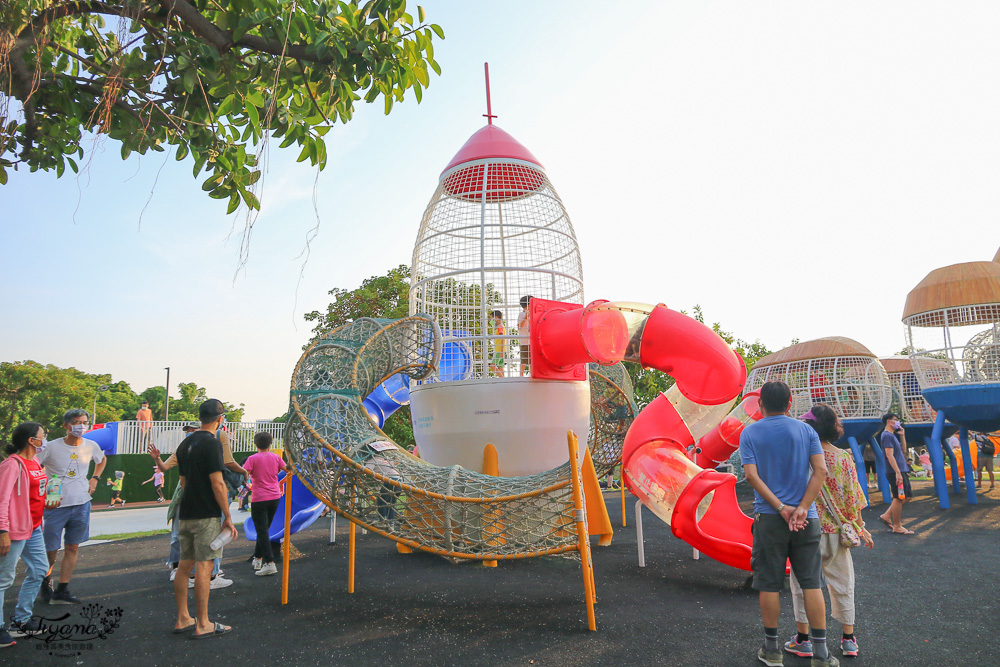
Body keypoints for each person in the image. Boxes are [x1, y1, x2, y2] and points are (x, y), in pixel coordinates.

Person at [739, 381, 837, 667]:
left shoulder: (750, 433)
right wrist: (802, 508)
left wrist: (782, 508)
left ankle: (771, 651)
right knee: (812, 583)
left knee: (769, 582)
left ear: (760, 405)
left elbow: (752, 476)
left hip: (770, 518)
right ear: (790, 403)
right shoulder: (806, 430)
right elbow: (820, 470)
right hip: (807, 519)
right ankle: (820, 654)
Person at [786, 404, 874, 660]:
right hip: (837, 532)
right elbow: (854, 498)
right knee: (843, 584)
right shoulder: (844, 458)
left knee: (802, 586)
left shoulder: (800, 457)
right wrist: (861, 527)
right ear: (830, 427)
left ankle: (803, 639)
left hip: (806, 530)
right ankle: (848, 639)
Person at [172, 399, 237, 638]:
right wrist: (227, 517)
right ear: (220, 419)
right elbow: (217, 482)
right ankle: (203, 623)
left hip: (186, 512)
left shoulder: (184, 443)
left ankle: (182, 618)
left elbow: (183, 482)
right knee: (205, 565)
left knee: (184, 564)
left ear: (200, 417)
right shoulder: (212, 444)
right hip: (206, 513)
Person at [35, 409, 106, 604]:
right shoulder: (51, 447)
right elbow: (34, 467)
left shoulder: (91, 445)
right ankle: (44, 582)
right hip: (55, 506)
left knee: (72, 547)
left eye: (84, 422)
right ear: (66, 425)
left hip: (81, 503)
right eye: (76, 422)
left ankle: (62, 590)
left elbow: (101, 460)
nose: (81, 426)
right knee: (50, 550)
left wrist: (95, 478)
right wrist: (43, 489)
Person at [0, 423, 54, 646]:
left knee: (40, 569)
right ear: (31, 440)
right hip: (13, 530)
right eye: (43, 435)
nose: (45, 438)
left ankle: (21, 621)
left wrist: (48, 503)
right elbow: (1, 499)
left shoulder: (35, 463)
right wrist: (2, 530)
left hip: (33, 527)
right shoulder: (12, 465)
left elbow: (35, 494)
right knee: (4, 579)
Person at [243, 432, 289, 577]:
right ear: (270, 444)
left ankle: (269, 563)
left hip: (259, 498)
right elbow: (288, 470)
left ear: (256, 444)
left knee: (262, 530)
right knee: (264, 529)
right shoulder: (276, 457)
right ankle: (258, 558)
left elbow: (244, 473)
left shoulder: (252, 459)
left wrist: (247, 484)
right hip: (274, 496)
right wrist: (281, 482)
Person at [878, 413, 913, 535]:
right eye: (895, 420)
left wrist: (902, 436)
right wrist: (897, 472)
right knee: (899, 497)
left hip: (901, 469)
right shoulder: (886, 436)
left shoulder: (892, 436)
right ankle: (897, 526)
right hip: (895, 471)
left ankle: (886, 515)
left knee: (907, 496)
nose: (898, 422)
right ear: (889, 421)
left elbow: (903, 451)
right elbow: (889, 455)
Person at [517, 295, 533, 376]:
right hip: (524, 341)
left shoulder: (533, 314)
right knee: (524, 359)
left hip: (531, 340)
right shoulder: (522, 314)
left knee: (532, 360)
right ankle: (521, 375)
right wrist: (527, 316)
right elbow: (520, 326)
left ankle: (531, 374)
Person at [488, 310, 506, 377]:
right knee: (500, 368)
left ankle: (503, 379)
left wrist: (501, 350)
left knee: (492, 366)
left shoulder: (500, 327)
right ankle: (504, 382)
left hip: (499, 350)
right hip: (501, 350)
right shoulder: (500, 327)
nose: (491, 320)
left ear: (496, 317)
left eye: (492, 318)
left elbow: (502, 338)